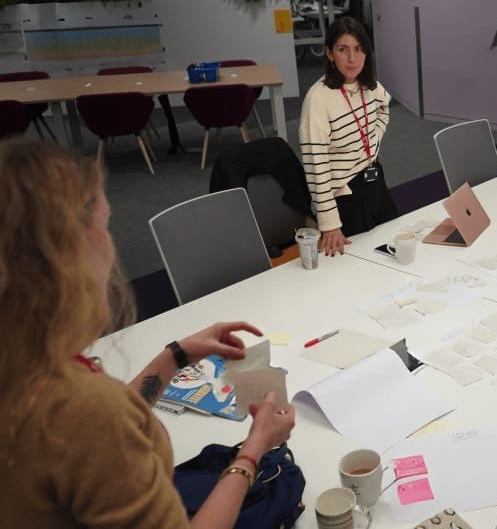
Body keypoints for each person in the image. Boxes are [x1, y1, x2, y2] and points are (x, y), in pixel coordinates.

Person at [0, 139, 296, 527]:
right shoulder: (81, 409)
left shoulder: (25, 364)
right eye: (104, 225)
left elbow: (101, 426)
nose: (112, 243)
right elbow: (96, 421)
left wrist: (175, 356)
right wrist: (254, 449)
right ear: (64, 256)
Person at [300, 16, 398, 256]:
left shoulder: (369, 86)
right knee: (358, 265)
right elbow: (316, 166)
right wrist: (329, 222)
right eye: (343, 50)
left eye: (358, 49)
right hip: (344, 195)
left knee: (394, 247)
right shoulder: (318, 99)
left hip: (374, 181)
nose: (352, 59)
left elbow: (384, 108)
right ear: (330, 54)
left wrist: (372, 142)